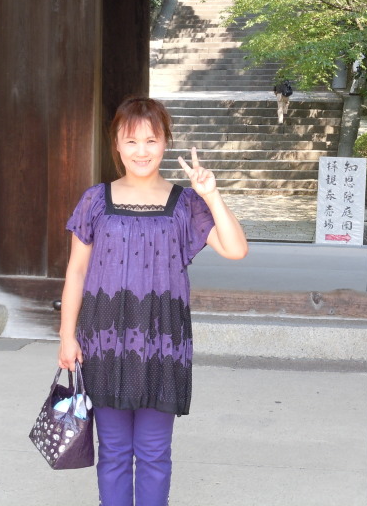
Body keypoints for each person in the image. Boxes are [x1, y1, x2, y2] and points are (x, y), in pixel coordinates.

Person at [58, 96, 248, 506]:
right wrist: (66, 336)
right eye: (131, 141)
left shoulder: (186, 203)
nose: (141, 151)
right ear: (116, 145)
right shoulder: (95, 200)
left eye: (151, 140)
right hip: (104, 342)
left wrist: (212, 195)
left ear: (165, 143)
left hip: (162, 343)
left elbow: (235, 250)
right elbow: (76, 271)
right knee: (113, 452)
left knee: (154, 452)